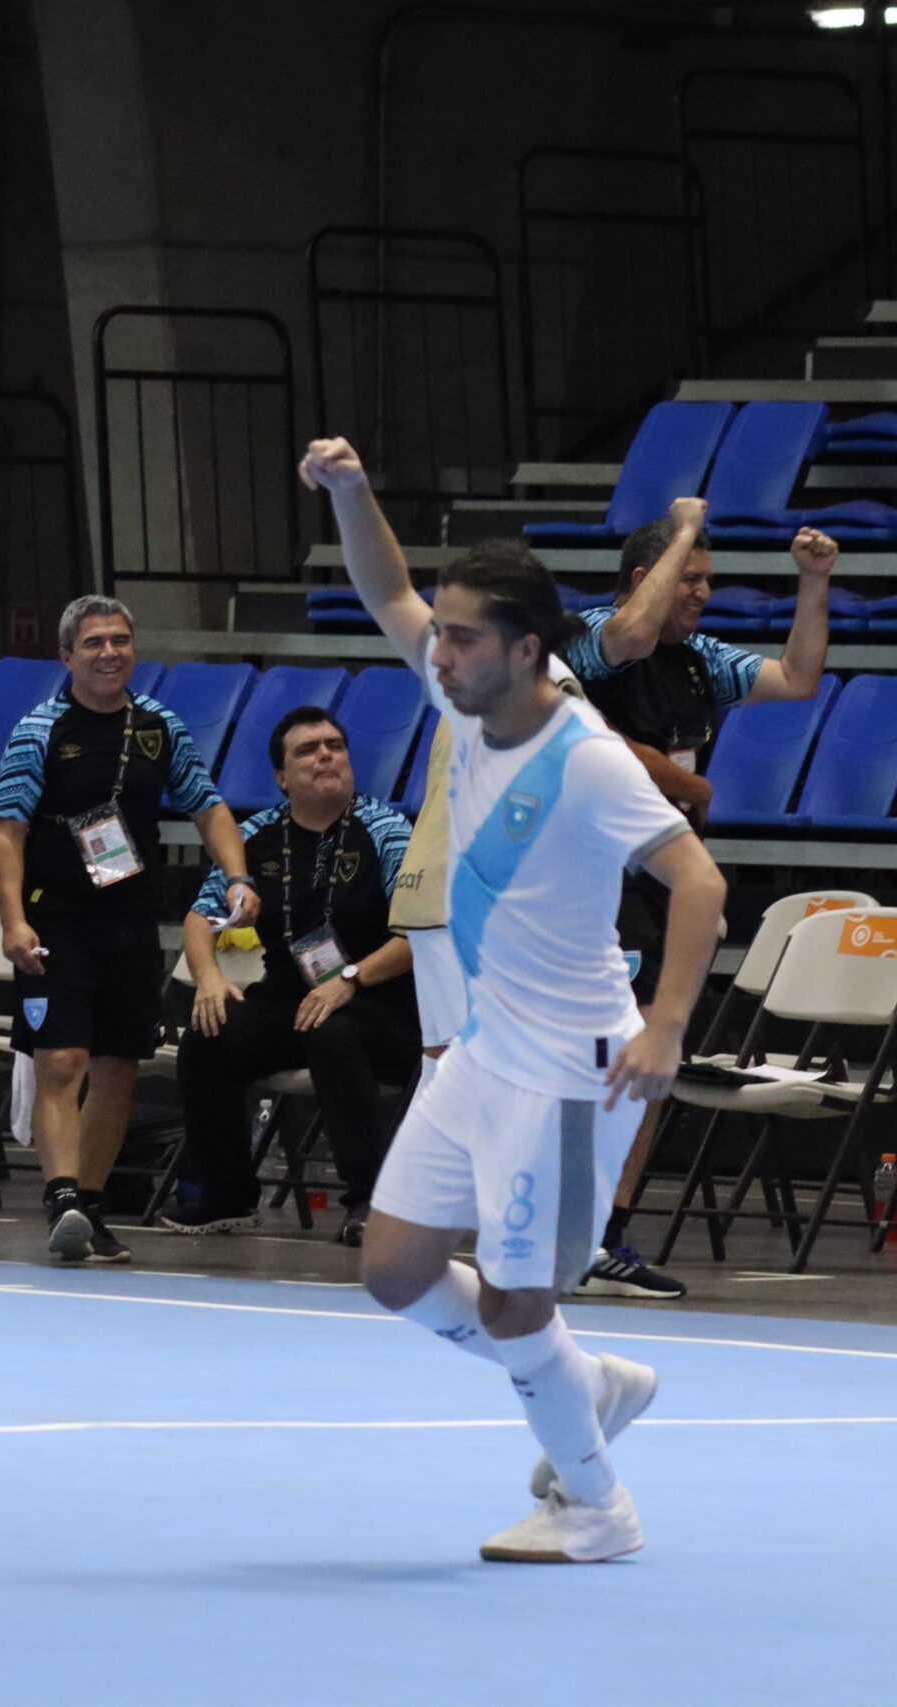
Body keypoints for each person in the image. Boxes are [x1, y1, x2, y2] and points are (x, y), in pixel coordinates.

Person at [305, 434, 726, 1564]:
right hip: (482, 1055)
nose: (434, 650)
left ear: (527, 650)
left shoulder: (587, 758)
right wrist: (353, 486)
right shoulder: (463, 699)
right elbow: (382, 585)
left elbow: (699, 882)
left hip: (572, 1073)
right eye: (438, 634)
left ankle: (596, 1505)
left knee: (512, 1303)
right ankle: (586, 1382)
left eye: (459, 636)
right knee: (393, 1269)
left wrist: (668, 1029)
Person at [558, 502, 835, 1300]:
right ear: (645, 579)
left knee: (649, 1054)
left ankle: (600, 1231)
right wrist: (686, 781)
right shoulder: (593, 639)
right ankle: (560, 1223)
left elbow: (799, 677)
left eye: (711, 580)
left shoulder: (700, 659)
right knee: (604, 1050)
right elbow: (613, 735)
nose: (704, 593)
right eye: (690, 578)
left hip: (662, 874)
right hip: (590, 872)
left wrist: (813, 584)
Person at [0, 595, 255, 1264]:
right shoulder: (38, 729)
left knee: (116, 1069)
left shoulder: (160, 726)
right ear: (67, 656)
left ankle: (93, 1206)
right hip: (57, 916)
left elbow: (210, 807)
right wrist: (13, 919)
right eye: (94, 642)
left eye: (120, 640)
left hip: (131, 919)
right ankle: (61, 1196)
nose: (109, 652)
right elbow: (6, 832)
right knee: (62, 1059)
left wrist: (240, 877)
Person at [163, 707, 419, 1247]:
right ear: (281, 778)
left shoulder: (387, 829)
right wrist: (208, 978)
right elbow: (198, 916)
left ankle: (371, 1203)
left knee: (334, 1031)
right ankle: (226, 1197)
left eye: (334, 745)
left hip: (379, 998)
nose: (325, 754)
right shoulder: (257, 835)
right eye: (308, 749)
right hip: (289, 995)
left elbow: (419, 934)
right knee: (212, 1031)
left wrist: (349, 978)